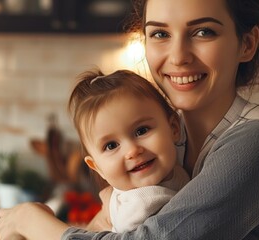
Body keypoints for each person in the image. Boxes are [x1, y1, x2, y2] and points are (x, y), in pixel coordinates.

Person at [0, 0, 259, 239]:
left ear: (246, 43)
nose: (178, 56)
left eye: (204, 32)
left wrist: (32, 221)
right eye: (160, 34)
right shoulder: (165, 145)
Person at [69, 69, 190, 232]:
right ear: (97, 168)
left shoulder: (177, 170)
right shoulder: (141, 207)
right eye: (111, 146)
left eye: (142, 131)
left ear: (174, 128)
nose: (132, 151)